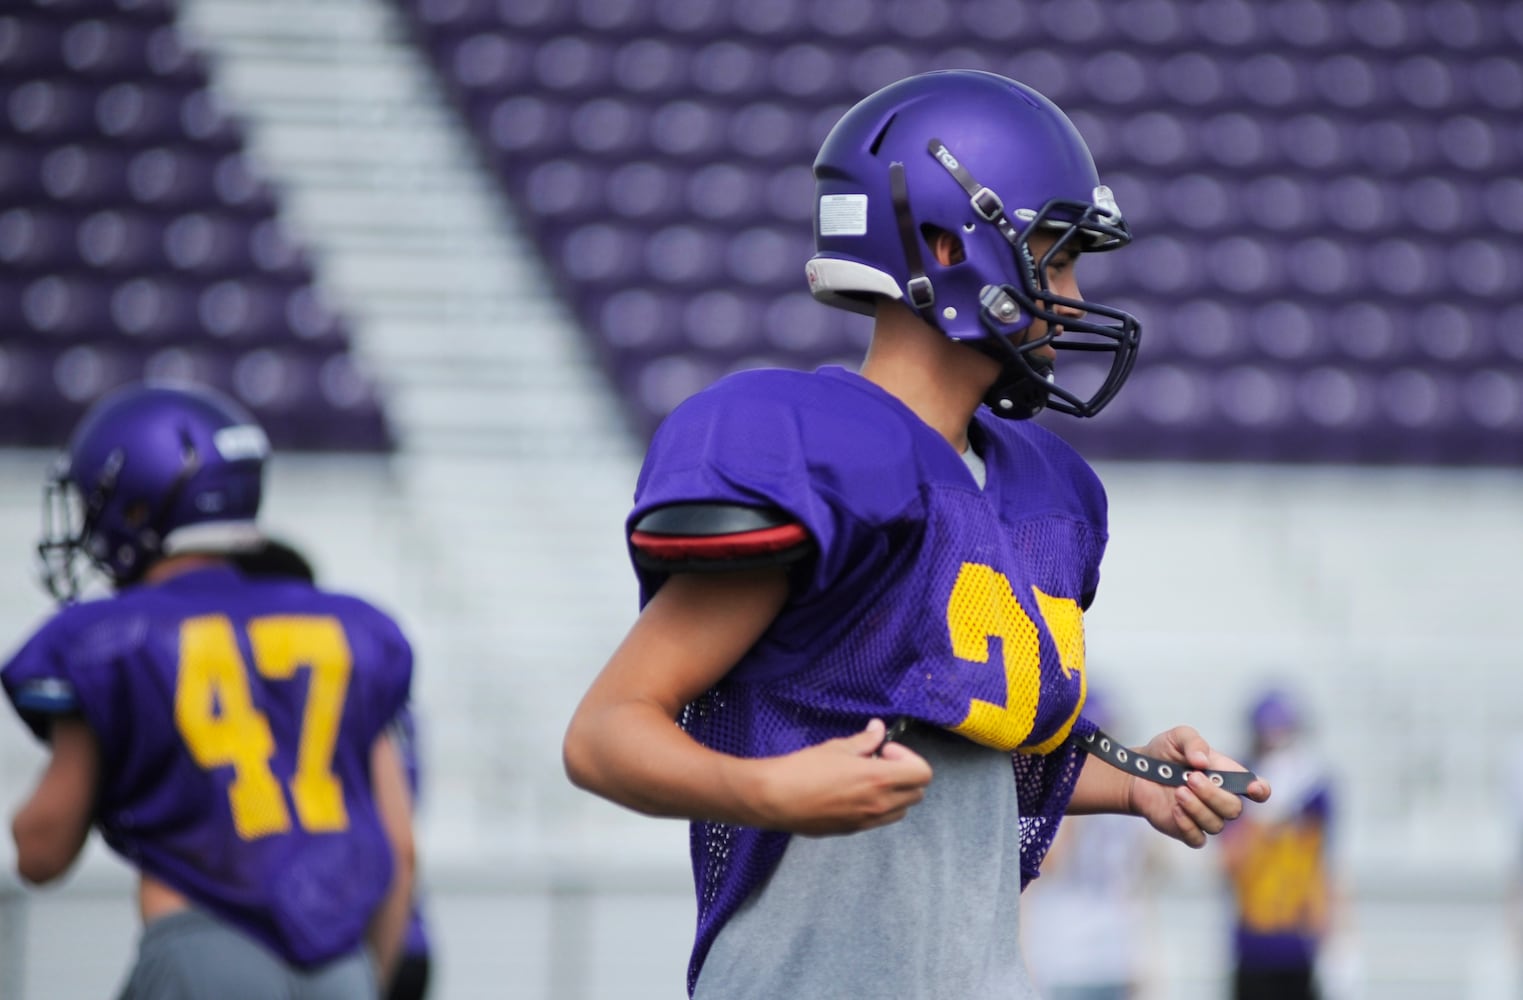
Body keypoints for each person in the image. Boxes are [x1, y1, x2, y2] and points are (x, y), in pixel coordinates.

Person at [562, 69, 1271, 1000]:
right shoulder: (817, 454)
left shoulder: (1036, 487)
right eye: (1054, 257)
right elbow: (604, 734)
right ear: (945, 246)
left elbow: (963, 752)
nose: (1070, 290)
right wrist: (769, 792)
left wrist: (1130, 779)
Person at [2, 382, 417, 1000]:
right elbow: (400, 849)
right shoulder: (350, 630)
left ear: (138, 506)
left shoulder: (112, 640)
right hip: (340, 967)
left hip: (201, 951)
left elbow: (42, 852)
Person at [233, 537, 435, 1000]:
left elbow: (398, 846)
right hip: (400, 931)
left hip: (321, 943)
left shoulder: (277, 700)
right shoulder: (374, 690)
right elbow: (401, 842)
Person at [1021, 688, 1161, 1000]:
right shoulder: (1049, 793)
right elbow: (1044, 867)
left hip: (1111, 951)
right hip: (1066, 955)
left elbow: (1143, 878)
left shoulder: (1133, 801)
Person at [1220, 688, 1337, 1000]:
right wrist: (1262, 818)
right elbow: (1227, 864)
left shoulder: (1313, 787)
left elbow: (1322, 868)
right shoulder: (1236, 782)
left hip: (1299, 942)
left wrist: (1335, 938)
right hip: (1254, 942)